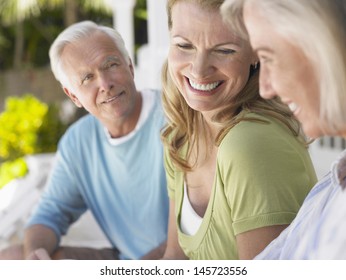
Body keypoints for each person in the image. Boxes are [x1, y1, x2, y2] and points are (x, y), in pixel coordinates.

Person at [160, 0, 317, 260]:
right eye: (184, 45)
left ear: (257, 50)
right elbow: (175, 257)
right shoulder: (180, 139)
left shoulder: (251, 142)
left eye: (224, 50)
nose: (199, 70)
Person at [0, 21, 168, 260]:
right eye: (87, 78)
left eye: (110, 65)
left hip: (182, 259)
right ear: (73, 96)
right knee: (13, 258)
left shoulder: (175, 116)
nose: (104, 84)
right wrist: (34, 259)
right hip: (124, 260)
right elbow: (49, 215)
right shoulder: (79, 141)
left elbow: (196, 229)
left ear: (130, 67)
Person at [221, 0, 346, 259]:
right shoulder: (331, 189)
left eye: (268, 57)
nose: (265, 88)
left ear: (323, 42)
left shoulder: (249, 142)